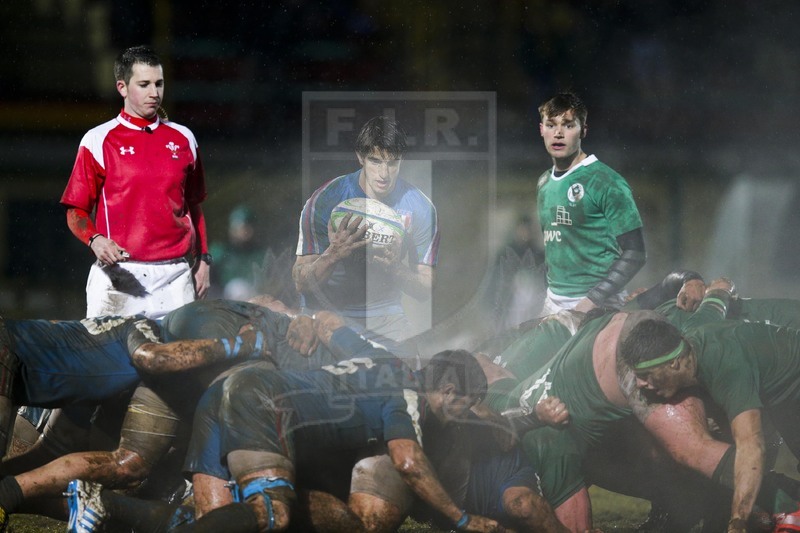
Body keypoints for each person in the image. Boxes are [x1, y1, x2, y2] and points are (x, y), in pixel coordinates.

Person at [68, 312, 508, 533]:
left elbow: (329, 322)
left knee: (216, 518)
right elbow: (408, 461)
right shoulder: (408, 396)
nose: (461, 418)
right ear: (447, 390)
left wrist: (304, 319)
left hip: (226, 392)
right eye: (466, 406)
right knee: (273, 512)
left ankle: (105, 506)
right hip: (262, 401)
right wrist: (463, 520)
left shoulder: (381, 358)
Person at [60, 44, 211, 320]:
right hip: (119, 276)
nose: (154, 93)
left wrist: (204, 260)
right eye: (144, 84)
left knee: (182, 350)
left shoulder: (184, 138)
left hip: (175, 277)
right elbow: (76, 210)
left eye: (159, 84)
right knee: (108, 351)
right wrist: (95, 240)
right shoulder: (97, 140)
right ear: (122, 87)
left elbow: (194, 205)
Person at [621, 315, 800, 531]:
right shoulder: (692, 349)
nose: (640, 383)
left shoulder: (725, 365)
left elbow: (751, 446)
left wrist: (738, 521)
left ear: (673, 363)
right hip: (787, 399)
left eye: (646, 374)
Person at [293, 116, 439, 361]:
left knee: (408, 375)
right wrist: (333, 254)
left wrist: (395, 269)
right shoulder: (326, 200)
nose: (384, 174)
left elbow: (425, 289)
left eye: (392, 163)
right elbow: (301, 282)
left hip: (385, 314)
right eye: (375, 161)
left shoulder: (421, 208)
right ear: (360, 157)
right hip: (324, 310)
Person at [536, 92, 645, 315]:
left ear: (584, 130)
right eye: (551, 125)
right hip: (552, 303)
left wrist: (592, 300)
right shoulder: (544, 182)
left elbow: (635, 253)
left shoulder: (606, 181)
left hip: (599, 304)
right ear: (541, 129)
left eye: (568, 125)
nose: (558, 133)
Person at [209, 205, 265, 301]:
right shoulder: (220, 250)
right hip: (222, 301)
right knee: (237, 288)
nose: (242, 231)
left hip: (254, 301)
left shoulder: (261, 254)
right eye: (237, 227)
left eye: (245, 227)